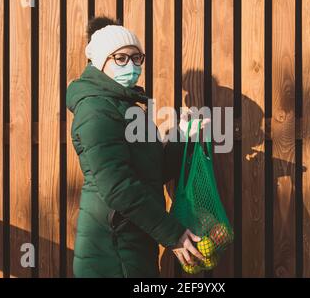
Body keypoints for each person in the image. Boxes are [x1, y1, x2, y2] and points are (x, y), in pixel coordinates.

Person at [66, 16, 208, 277]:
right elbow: (117, 186)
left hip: (135, 241)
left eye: (136, 58)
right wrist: (173, 234)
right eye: (121, 58)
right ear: (100, 61)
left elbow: (152, 172)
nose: (131, 65)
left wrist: (181, 136)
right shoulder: (95, 109)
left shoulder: (127, 106)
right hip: (111, 249)